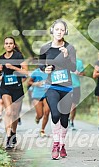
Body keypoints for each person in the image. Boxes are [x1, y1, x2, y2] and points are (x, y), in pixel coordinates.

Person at [39, 19, 76, 159]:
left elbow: (73, 68)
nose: (59, 32)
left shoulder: (70, 48)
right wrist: (45, 69)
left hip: (66, 87)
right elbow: (41, 64)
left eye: (62, 30)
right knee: (55, 114)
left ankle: (62, 144)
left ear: (65, 32)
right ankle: (55, 144)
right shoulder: (45, 48)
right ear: (52, 30)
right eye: (57, 29)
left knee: (65, 118)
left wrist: (66, 55)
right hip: (51, 86)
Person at [0, 36, 28, 149]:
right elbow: (0, 74)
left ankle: (14, 132)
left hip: (17, 88)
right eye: (6, 43)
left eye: (11, 43)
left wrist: (13, 67)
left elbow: (25, 72)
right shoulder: (1, 57)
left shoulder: (19, 56)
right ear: (4, 45)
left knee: (15, 114)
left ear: (14, 45)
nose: (9, 45)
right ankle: (9, 136)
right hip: (5, 87)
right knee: (9, 112)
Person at [28, 67, 50, 137]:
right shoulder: (36, 72)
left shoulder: (50, 71)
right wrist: (36, 83)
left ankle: (42, 130)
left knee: (46, 112)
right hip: (37, 94)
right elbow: (29, 82)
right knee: (40, 114)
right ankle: (37, 118)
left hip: (47, 94)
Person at [69, 58, 85, 130]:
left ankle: (71, 122)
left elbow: (83, 74)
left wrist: (79, 73)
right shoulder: (63, 62)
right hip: (66, 86)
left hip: (76, 86)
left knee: (74, 106)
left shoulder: (79, 62)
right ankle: (65, 120)